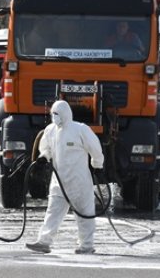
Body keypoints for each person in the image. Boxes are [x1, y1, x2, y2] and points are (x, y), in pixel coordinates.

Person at [26, 100, 105, 254]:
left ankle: (86, 245)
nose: (54, 117)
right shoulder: (50, 130)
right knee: (52, 212)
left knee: (85, 214)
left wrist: (98, 166)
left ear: (65, 114)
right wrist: (43, 157)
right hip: (59, 182)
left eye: (56, 114)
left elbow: (95, 148)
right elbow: (46, 148)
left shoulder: (80, 130)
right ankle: (44, 242)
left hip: (79, 182)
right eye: (52, 114)